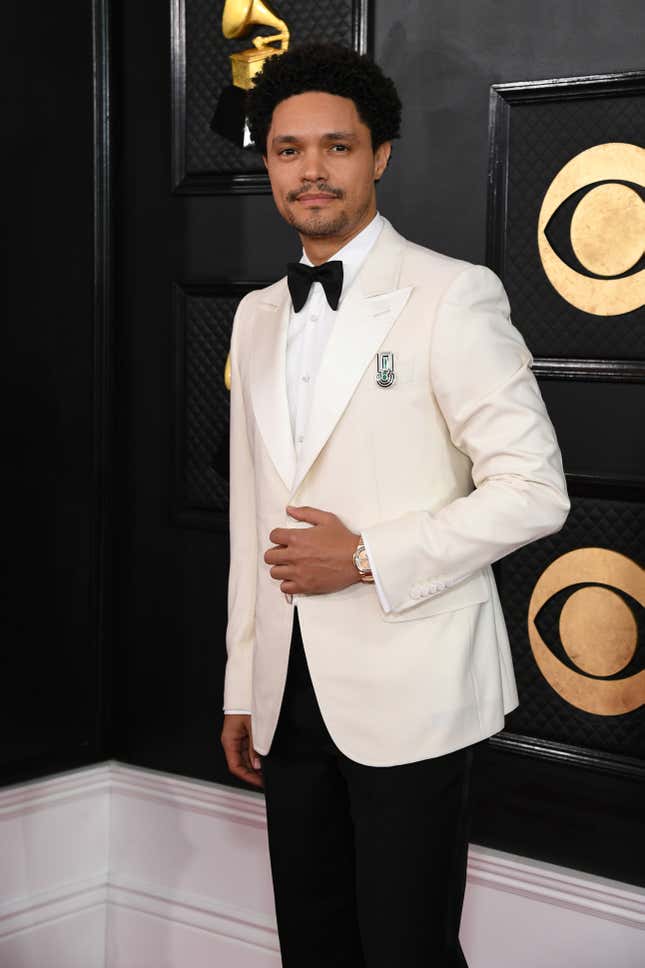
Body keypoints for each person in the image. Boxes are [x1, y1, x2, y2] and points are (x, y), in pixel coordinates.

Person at [220, 43, 569, 968]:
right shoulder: (256, 314)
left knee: (406, 947)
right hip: (285, 689)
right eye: (289, 150)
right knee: (315, 940)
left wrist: (366, 553)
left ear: (379, 156)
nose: (311, 171)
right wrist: (240, 681)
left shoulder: (452, 296)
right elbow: (251, 515)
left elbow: (535, 491)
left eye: (336, 147)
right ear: (268, 164)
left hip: (412, 686)